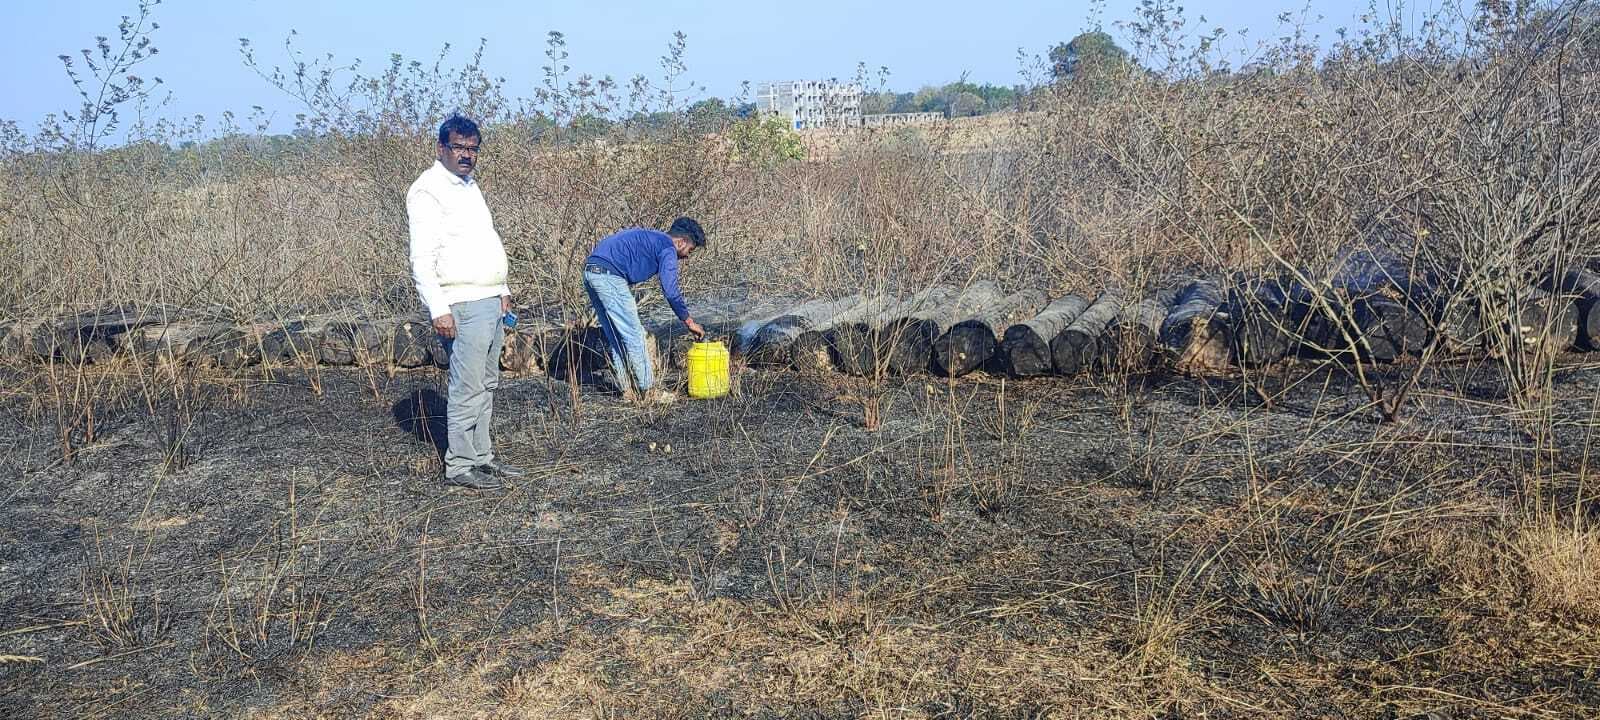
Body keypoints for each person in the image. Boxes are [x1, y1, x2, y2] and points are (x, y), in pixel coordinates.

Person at [407, 115, 524, 490]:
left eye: (472, 148)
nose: (466, 155)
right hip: (461, 302)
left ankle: (482, 457)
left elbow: (484, 239)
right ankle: (459, 465)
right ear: (441, 148)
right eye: (459, 147)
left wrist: (502, 288)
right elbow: (421, 258)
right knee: (467, 386)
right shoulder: (428, 190)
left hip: (489, 299)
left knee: (487, 383)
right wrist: (438, 308)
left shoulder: (469, 186)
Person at [583, 218, 708, 402]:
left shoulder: (652, 238)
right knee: (635, 335)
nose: (687, 256)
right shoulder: (667, 248)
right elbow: (670, 290)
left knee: (617, 336)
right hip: (609, 276)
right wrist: (689, 321)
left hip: (591, 271)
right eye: (690, 249)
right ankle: (650, 391)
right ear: (681, 241)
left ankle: (628, 391)